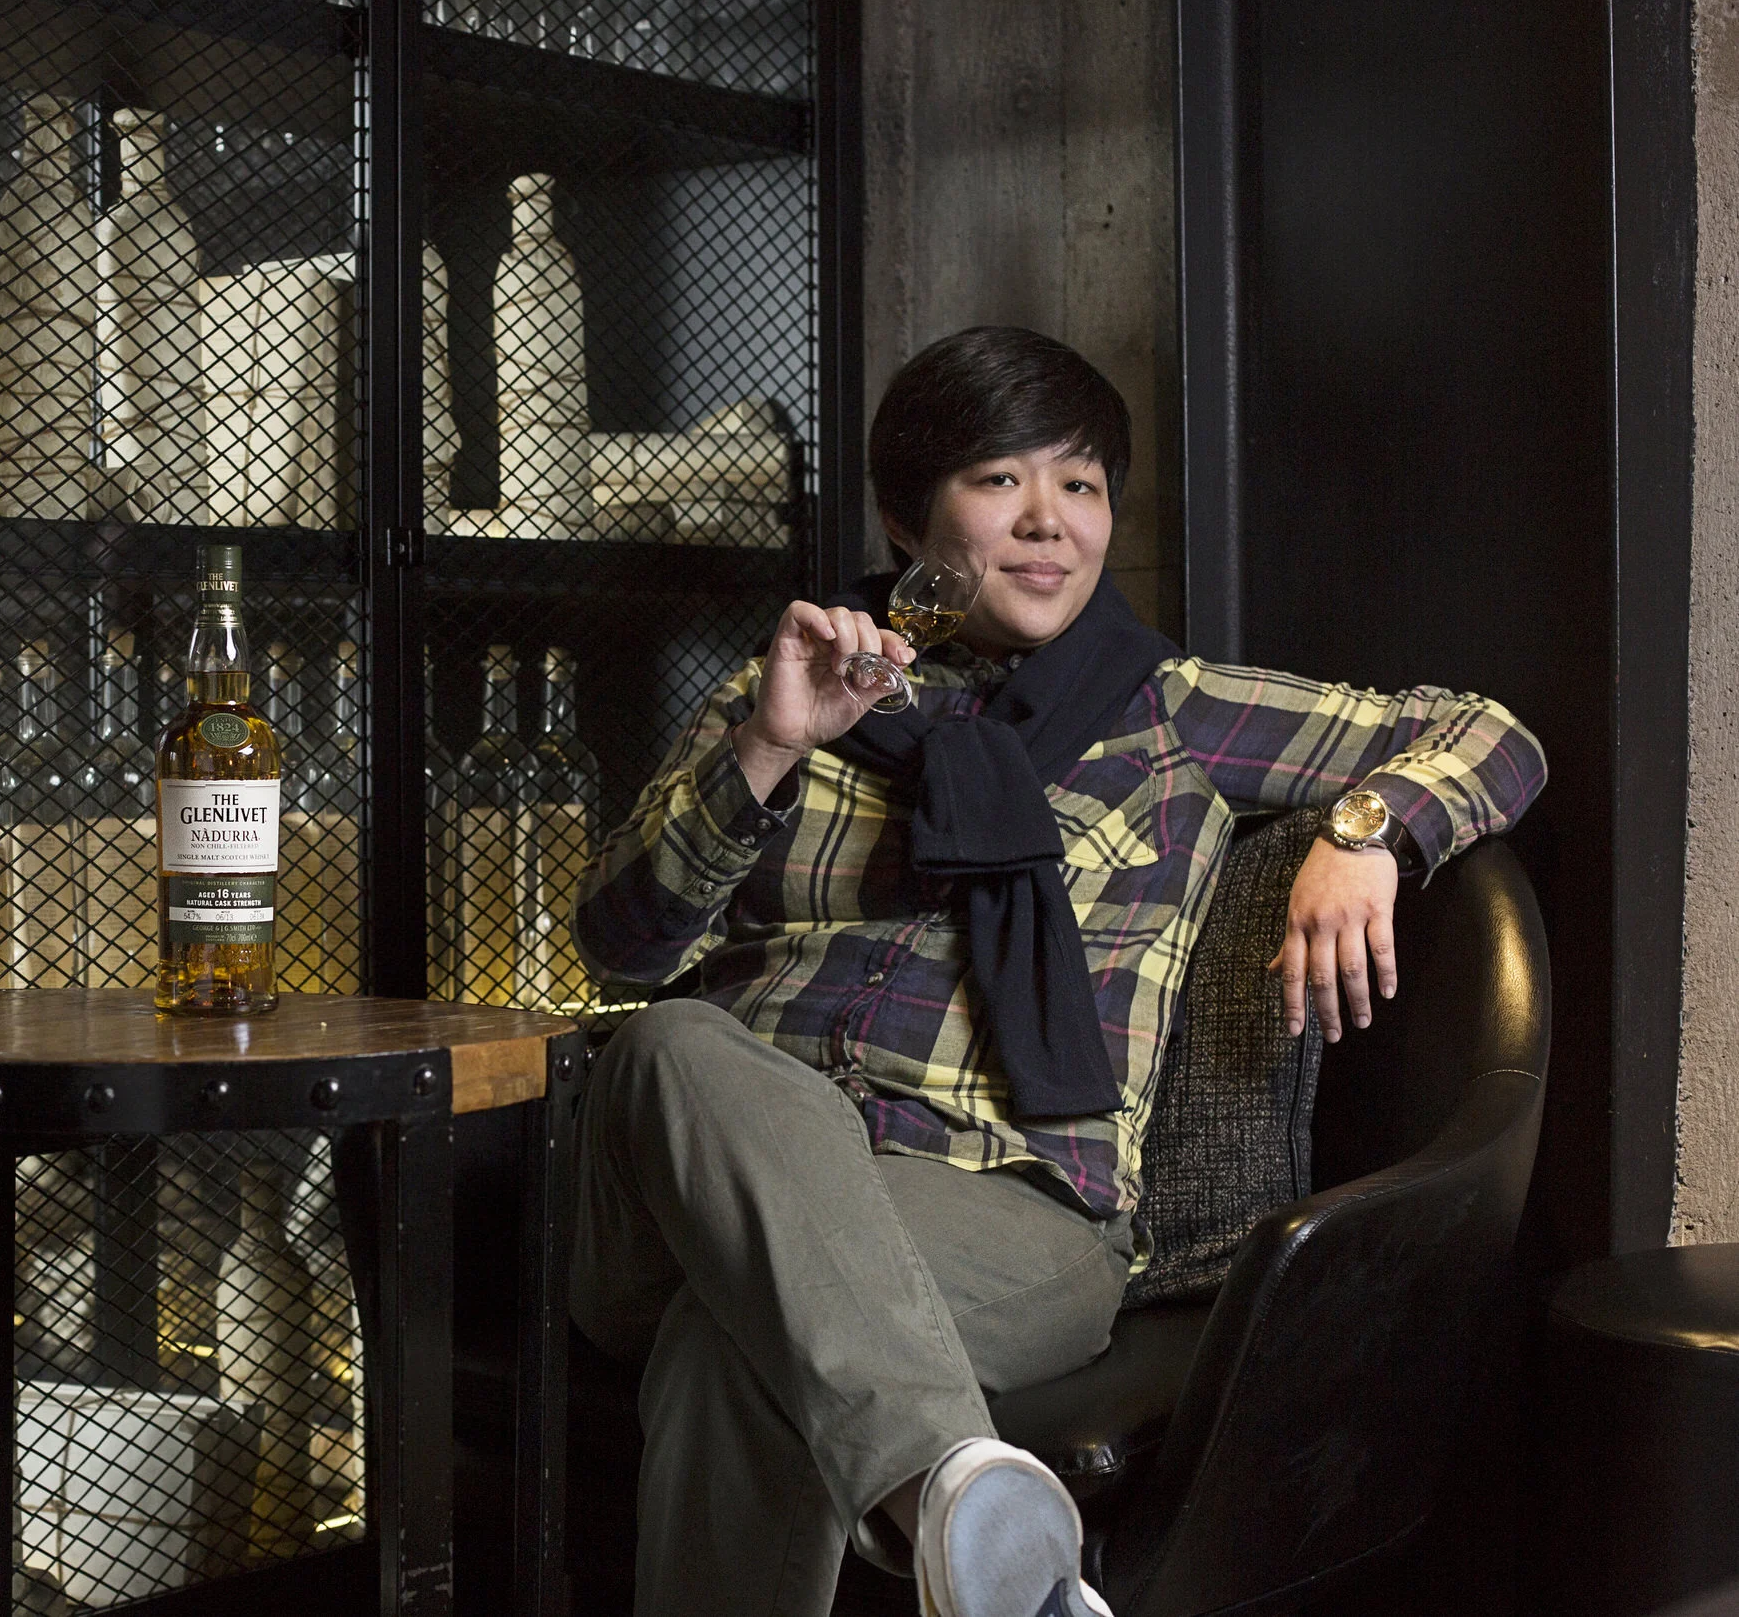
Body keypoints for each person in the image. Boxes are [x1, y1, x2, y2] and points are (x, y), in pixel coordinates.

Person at [568, 325, 1547, 1617]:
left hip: (1006, 1205)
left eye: (1079, 485)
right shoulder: (789, 695)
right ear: (906, 516)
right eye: (998, 480)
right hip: (696, 1199)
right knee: (672, 1042)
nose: (1048, 524)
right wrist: (769, 743)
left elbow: (1492, 735)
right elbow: (620, 948)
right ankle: (954, 1505)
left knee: (729, 1347)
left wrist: (1367, 830)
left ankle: (961, 1514)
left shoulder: (1171, 713)